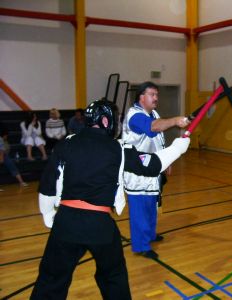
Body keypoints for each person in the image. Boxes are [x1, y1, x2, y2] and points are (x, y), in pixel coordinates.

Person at [31, 99, 190, 299]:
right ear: (107, 122)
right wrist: (178, 148)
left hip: (66, 221)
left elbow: (48, 182)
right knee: (113, 277)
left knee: (51, 280)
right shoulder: (118, 148)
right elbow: (153, 165)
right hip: (99, 225)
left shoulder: (66, 143)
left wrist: (47, 212)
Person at [122, 81, 190, 259]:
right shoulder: (134, 115)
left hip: (152, 165)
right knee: (140, 208)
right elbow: (153, 128)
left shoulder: (153, 113)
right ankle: (141, 245)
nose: (156, 98)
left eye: (157, 95)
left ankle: (150, 235)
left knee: (152, 203)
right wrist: (175, 120)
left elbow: (158, 139)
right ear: (141, 97)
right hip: (137, 169)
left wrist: (166, 161)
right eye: (152, 94)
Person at [0, 123, 28, 187]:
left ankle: (21, 182)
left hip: (3, 155)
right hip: (2, 154)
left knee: (11, 164)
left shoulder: (2, 140)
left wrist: (1, 157)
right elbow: (2, 149)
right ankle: (21, 182)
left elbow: (2, 150)